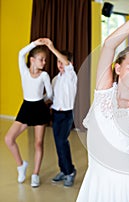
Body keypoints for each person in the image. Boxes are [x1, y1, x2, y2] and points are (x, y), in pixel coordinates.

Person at [76, 5, 129, 202]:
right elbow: (109, 45)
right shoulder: (104, 93)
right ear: (117, 68)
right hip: (97, 181)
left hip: (128, 185)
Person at [4, 38, 53, 187]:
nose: (44, 62)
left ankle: (35, 174)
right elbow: (20, 54)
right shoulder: (24, 72)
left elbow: (50, 95)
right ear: (32, 60)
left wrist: (40, 101)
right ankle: (21, 165)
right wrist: (35, 43)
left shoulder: (44, 76)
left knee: (38, 143)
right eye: (41, 59)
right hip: (26, 108)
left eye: (45, 60)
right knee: (8, 139)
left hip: (39, 108)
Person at [44, 39, 78, 187]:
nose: (60, 64)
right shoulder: (55, 79)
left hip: (67, 114)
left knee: (62, 142)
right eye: (58, 62)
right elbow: (50, 97)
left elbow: (68, 65)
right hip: (56, 114)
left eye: (62, 61)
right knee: (59, 144)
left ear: (69, 63)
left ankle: (70, 171)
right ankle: (64, 171)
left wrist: (52, 46)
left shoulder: (71, 76)